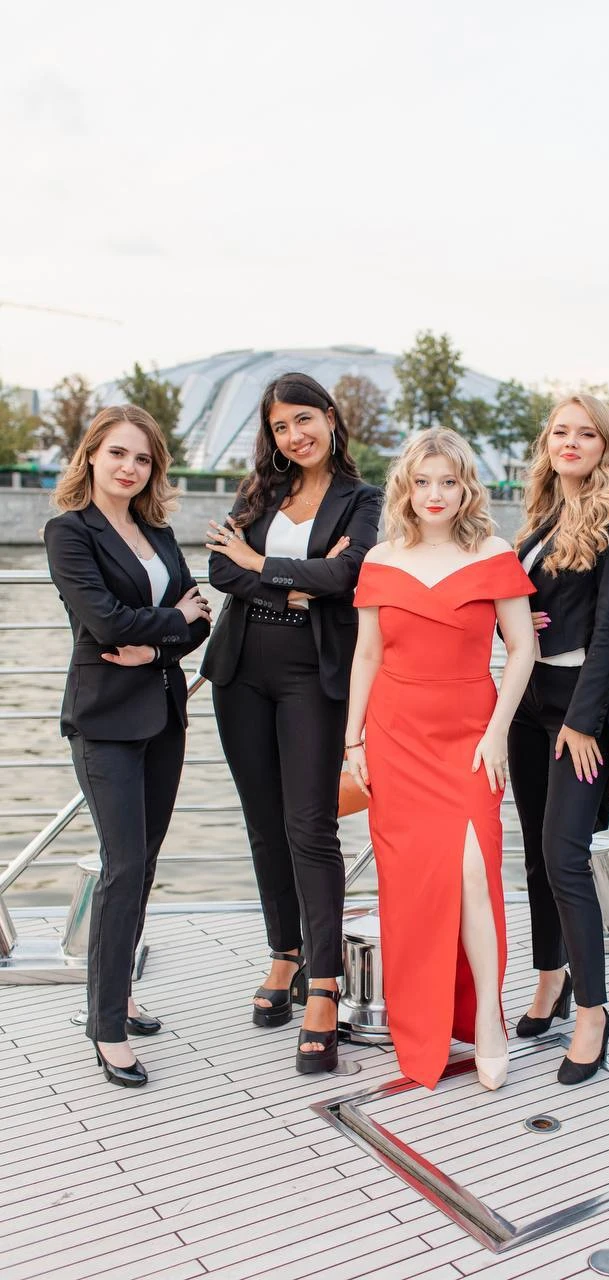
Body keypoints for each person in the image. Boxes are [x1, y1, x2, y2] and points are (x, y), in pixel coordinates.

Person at [201, 372, 381, 1075]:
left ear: (330, 418)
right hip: (241, 670)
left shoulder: (363, 500)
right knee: (263, 823)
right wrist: (297, 583)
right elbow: (222, 571)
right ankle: (285, 952)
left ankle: (325, 983)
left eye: (304, 419)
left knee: (311, 825)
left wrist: (264, 565)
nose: (295, 435)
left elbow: (351, 577)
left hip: (313, 674)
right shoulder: (261, 491)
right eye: (281, 426)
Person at [346, 428, 535, 1091]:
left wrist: (497, 732)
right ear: (406, 487)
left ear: (466, 488)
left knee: (475, 874)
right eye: (423, 481)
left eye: (448, 482)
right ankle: (423, 1024)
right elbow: (367, 655)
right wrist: (353, 740)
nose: (435, 494)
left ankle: (487, 1019)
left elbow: (523, 649)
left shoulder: (493, 553)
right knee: (415, 887)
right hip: (395, 736)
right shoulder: (381, 559)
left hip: (471, 735)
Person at [43, 406, 212, 1088]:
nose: (129, 467)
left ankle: (120, 993)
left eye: (142, 458)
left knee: (143, 867)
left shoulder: (158, 533)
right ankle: (106, 1025)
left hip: (164, 715)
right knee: (123, 865)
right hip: (105, 722)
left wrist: (158, 644)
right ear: (91, 455)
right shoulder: (68, 532)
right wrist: (171, 622)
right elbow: (106, 622)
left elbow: (201, 620)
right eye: (117, 452)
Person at [508, 394, 609, 1085]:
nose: (571, 442)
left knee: (565, 855)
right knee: (537, 854)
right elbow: (527, 607)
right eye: (560, 431)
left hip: (579, 707)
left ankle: (594, 1010)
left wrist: (583, 721)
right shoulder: (542, 515)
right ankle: (550, 978)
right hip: (528, 702)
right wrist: (516, 621)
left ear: (604, 447)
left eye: (586, 433)